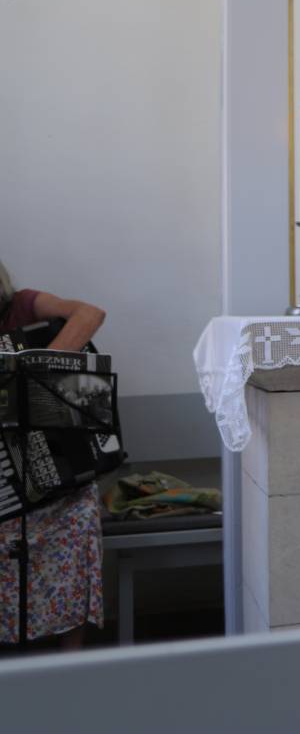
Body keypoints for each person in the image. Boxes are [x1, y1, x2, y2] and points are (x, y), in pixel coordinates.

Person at [0, 260, 107, 649]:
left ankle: (70, 661)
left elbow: (90, 314)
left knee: (80, 507)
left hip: (52, 460)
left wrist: (33, 369)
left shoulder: (22, 305)